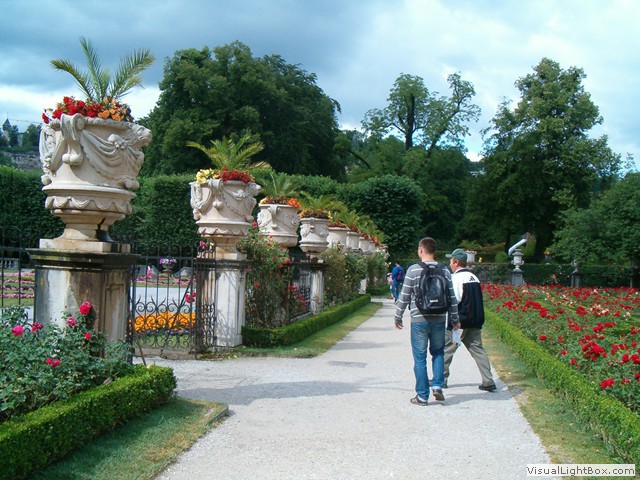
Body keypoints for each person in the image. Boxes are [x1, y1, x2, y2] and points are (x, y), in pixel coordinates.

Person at [395, 237, 459, 405]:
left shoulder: (413, 270)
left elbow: (404, 295)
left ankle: (422, 396)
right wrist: (455, 319)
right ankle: (437, 385)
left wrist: (398, 316)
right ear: (434, 251)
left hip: (419, 319)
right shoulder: (444, 270)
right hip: (439, 318)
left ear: (421, 250)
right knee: (438, 352)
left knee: (420, 358)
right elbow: (451, 297)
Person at [443, 248, 497, 392]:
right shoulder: (474, 277)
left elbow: (454, 301)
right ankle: (488, 380)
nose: (450, 264)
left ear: (456, 262)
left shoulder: (456, 278)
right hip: (475, 320)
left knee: (447, 349)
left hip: (460, 322)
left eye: (451, 261)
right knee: (478, 350)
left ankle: (441, 379)